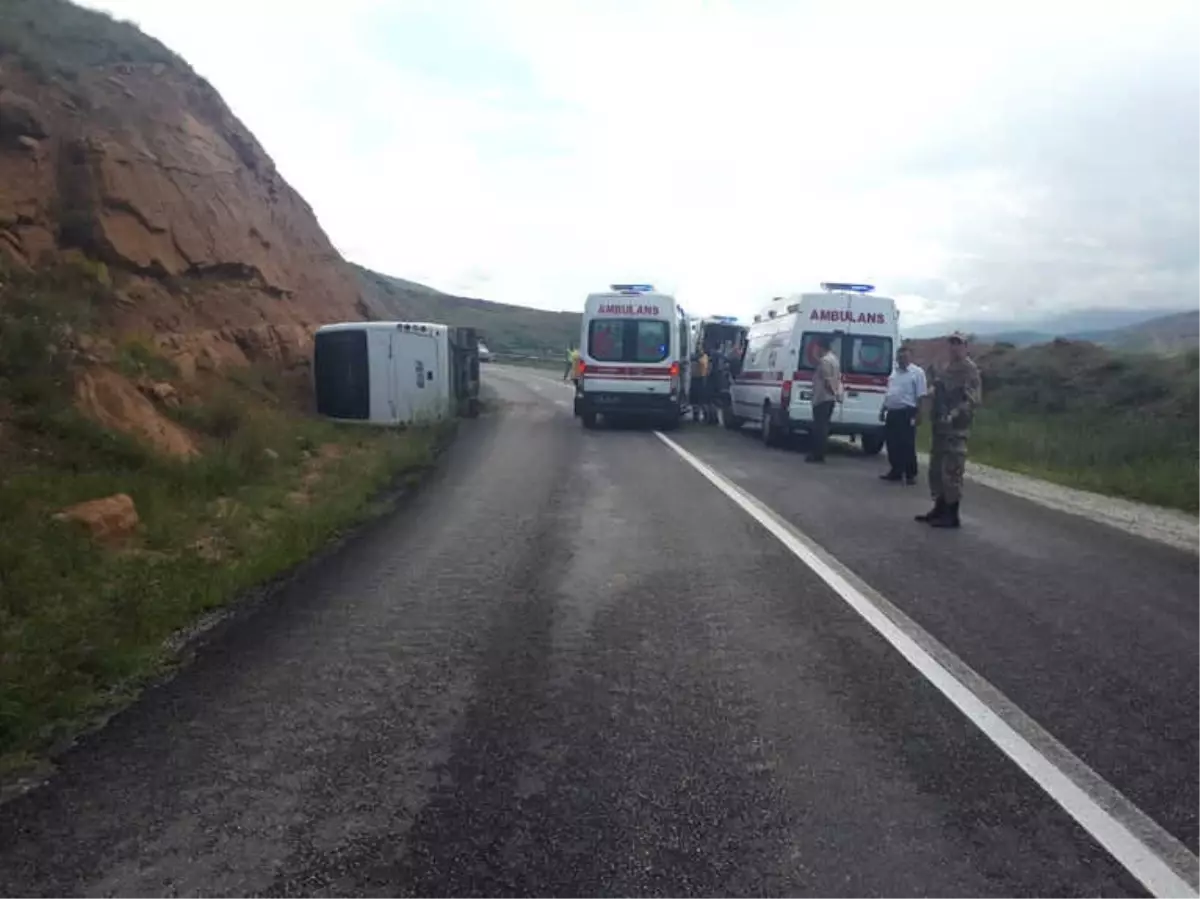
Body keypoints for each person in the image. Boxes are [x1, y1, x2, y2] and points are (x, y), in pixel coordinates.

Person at [916, 331, 982, 529]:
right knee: (936, 470)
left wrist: (954, 413)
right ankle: (939, 507)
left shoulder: (969, 370)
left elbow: (973, 399)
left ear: (965, 346)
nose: (954, 347)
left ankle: (951, 515)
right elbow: (937, 390)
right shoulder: (948, 367)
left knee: (951, 471)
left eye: (958, 343)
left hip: (955, 429)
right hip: (940, 427)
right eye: (952, 343)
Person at [879, 345, 927, 485]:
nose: (901, 359)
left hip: (907, 412)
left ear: (910, 357)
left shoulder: (917, 373)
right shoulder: (894, 373)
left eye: (904, 356)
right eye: (899, 357)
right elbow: (890, 393)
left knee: (907, 444)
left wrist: (919, 414)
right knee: (892, 443)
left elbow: (921, 395)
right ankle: (896, 471)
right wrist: (883, 409)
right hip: (892, 411)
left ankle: (910, 474)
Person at [806, 334, 843, 463]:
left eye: (817, 348)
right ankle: (819, 453)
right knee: (823, 426)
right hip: (829, 398)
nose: (816, 350)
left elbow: (827, 381)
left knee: (819, 427)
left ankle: (818, 454)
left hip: (823, 397)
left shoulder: (825, 361)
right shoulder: (835, 359)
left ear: (821, 347)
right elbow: (837, 378)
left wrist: (833, 393)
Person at [691, 347, 710, 422]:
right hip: (697, 379)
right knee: (696, 401)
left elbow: (704, 366)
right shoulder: (703, 358)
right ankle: (696, 416)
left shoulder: (703, 358)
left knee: (700, 400)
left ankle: (703, 416)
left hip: (700, 379)